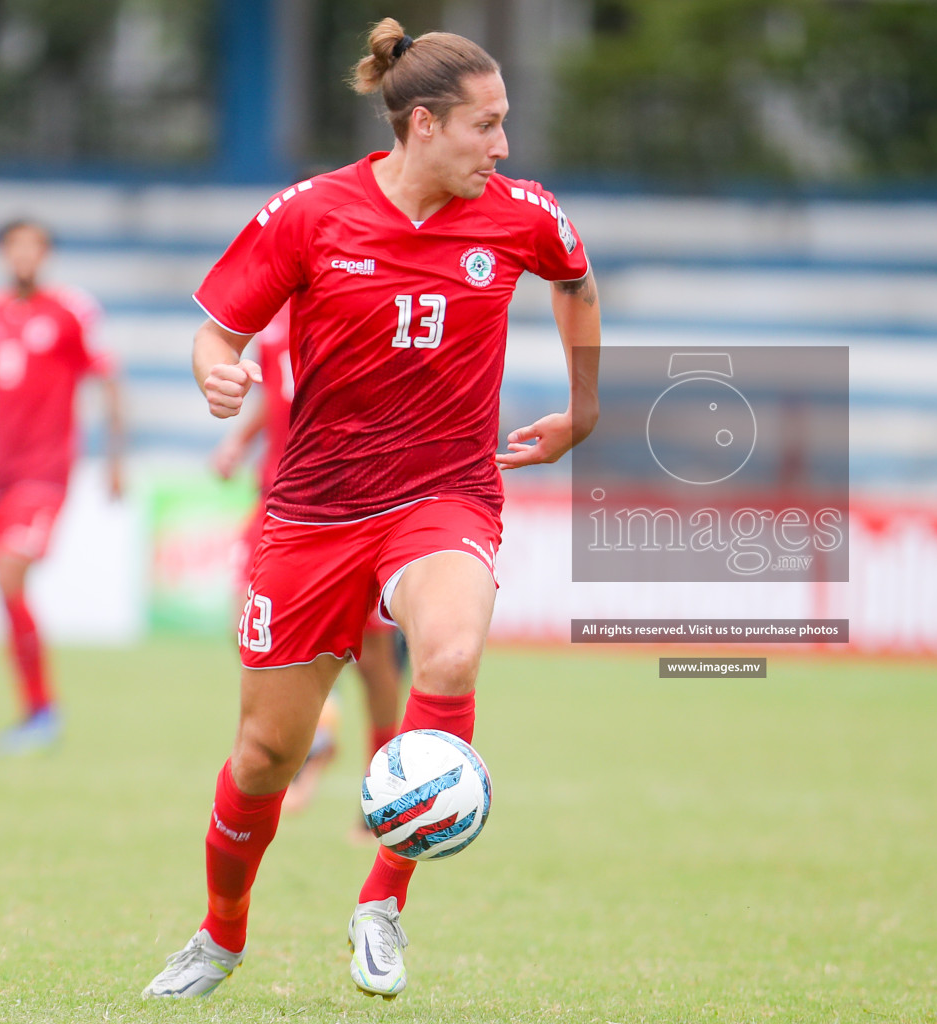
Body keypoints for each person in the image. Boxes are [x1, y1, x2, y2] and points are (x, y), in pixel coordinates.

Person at [143, 19, 600, 1000]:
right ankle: (222, 933)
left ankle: (382, 901)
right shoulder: (311, 214)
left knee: (451, 654)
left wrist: (583, 407)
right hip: (312, 513)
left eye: (506, 124)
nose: (504, 146)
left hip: (444, 494)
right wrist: (218, 374)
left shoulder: (522, 214)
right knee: (264, 757)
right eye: (487, 125)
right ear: (423, 123)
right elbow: (218, 332)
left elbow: (576, 283)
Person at [209, 305, 405, 818]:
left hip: (352, 509)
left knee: (376, 664)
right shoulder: (274, 328)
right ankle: (322, 721)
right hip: (276, 503)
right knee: (245, 625)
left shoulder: (361, 308)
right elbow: (279, 397)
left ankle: (382, 794)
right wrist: (239, 442)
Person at [0, 218, 124, 754]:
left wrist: (116, 458)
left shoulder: (71, 311)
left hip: (46, 472)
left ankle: (43, 712)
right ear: (2, 252)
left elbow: (108, 382)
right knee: (4, 586)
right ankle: (35, 711)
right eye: (15, 246)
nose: (24, 255)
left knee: (9, 571)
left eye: (34, 246)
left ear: (46, 255)